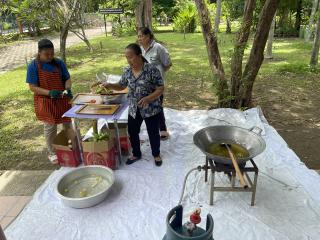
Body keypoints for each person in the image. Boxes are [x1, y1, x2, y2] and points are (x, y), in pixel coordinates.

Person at [99, 43, 164, 166]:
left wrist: (149, 98)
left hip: (151, 108)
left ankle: (156, 154)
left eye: (131, 57)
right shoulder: (127, 71)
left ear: (139, 55)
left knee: (153, 132)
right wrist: (110, 85)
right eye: (126, 57)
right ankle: (136, 153)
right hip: (134, 107)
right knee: (132, 131)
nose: (128, 60)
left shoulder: (151, 70)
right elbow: (122, 85)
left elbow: (160, 88)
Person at [26, 39, 73, 164]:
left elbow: (67, 79)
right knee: (50, 127)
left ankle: (71, 144)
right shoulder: (33, 66)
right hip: (46, 100)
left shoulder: (58, 63)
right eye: (47, 54)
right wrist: (49, 92)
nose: (50, 56)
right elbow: (32, 87)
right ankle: (52, 152)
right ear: (39, 53)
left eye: (52, 53)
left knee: (67, 123)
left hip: (62, 99)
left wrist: (67, 89)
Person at [138, 27, 172, 140]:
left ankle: (162, 129)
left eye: (141, 36)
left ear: (148, 36)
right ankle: (154, 128)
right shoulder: (140, 50)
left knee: (158, 106)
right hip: (145, 85)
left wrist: (158, 75)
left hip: (157, 86)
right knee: (150, 106)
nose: (139, 38)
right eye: (138, 36)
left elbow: (168, 64)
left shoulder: (158, 48)